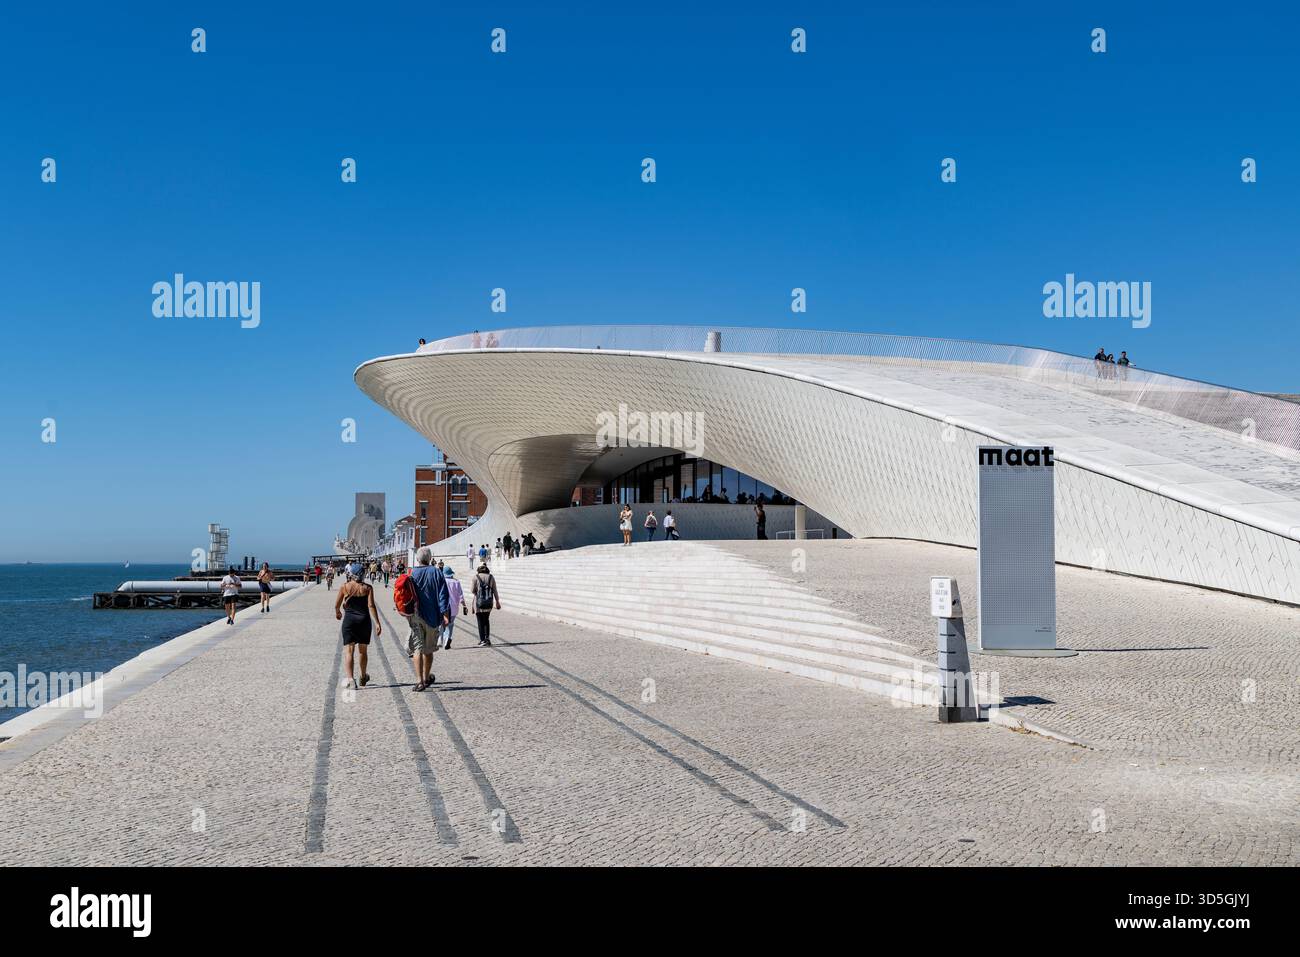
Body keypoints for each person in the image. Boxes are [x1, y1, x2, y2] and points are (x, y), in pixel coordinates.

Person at [408, 546, 450, 691]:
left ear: (418, 559)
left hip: (416, 615)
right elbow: (443, 594)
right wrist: (445, 613)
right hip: (432, 616)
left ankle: (419, 681)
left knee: (417, 648)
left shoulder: (412, 573)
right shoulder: (437, 572)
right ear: (430, 558)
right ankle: (426, 678)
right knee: (429, 649)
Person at [334, 566, 381, 691]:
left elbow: (337, 605)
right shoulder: (368, 588)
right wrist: (377, 623)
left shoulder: (345, 587)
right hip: (364, 621)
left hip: (349, 622)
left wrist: (338, 613)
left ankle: (351, 680)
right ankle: (363, 675)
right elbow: (371, 605)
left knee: (349, 651)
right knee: (363, 651)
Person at [471, 562, 501, 647]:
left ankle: (482, 640)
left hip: (478, 603)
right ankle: (487, 639)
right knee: (486, 620)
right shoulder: (491, 577)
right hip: (489, 602)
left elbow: (472, 590)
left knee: (480, 621)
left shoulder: (475, 577)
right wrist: (497, 601)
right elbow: (495, 590)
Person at [440, 567, 467, 649]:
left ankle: (443, 639)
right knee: (450, 624)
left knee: (442, 624)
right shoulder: (456, 582)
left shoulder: (442, 582)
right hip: (454, 607)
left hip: (443, 606)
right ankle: (448, 638)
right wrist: (464, 605)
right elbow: (461, 595)